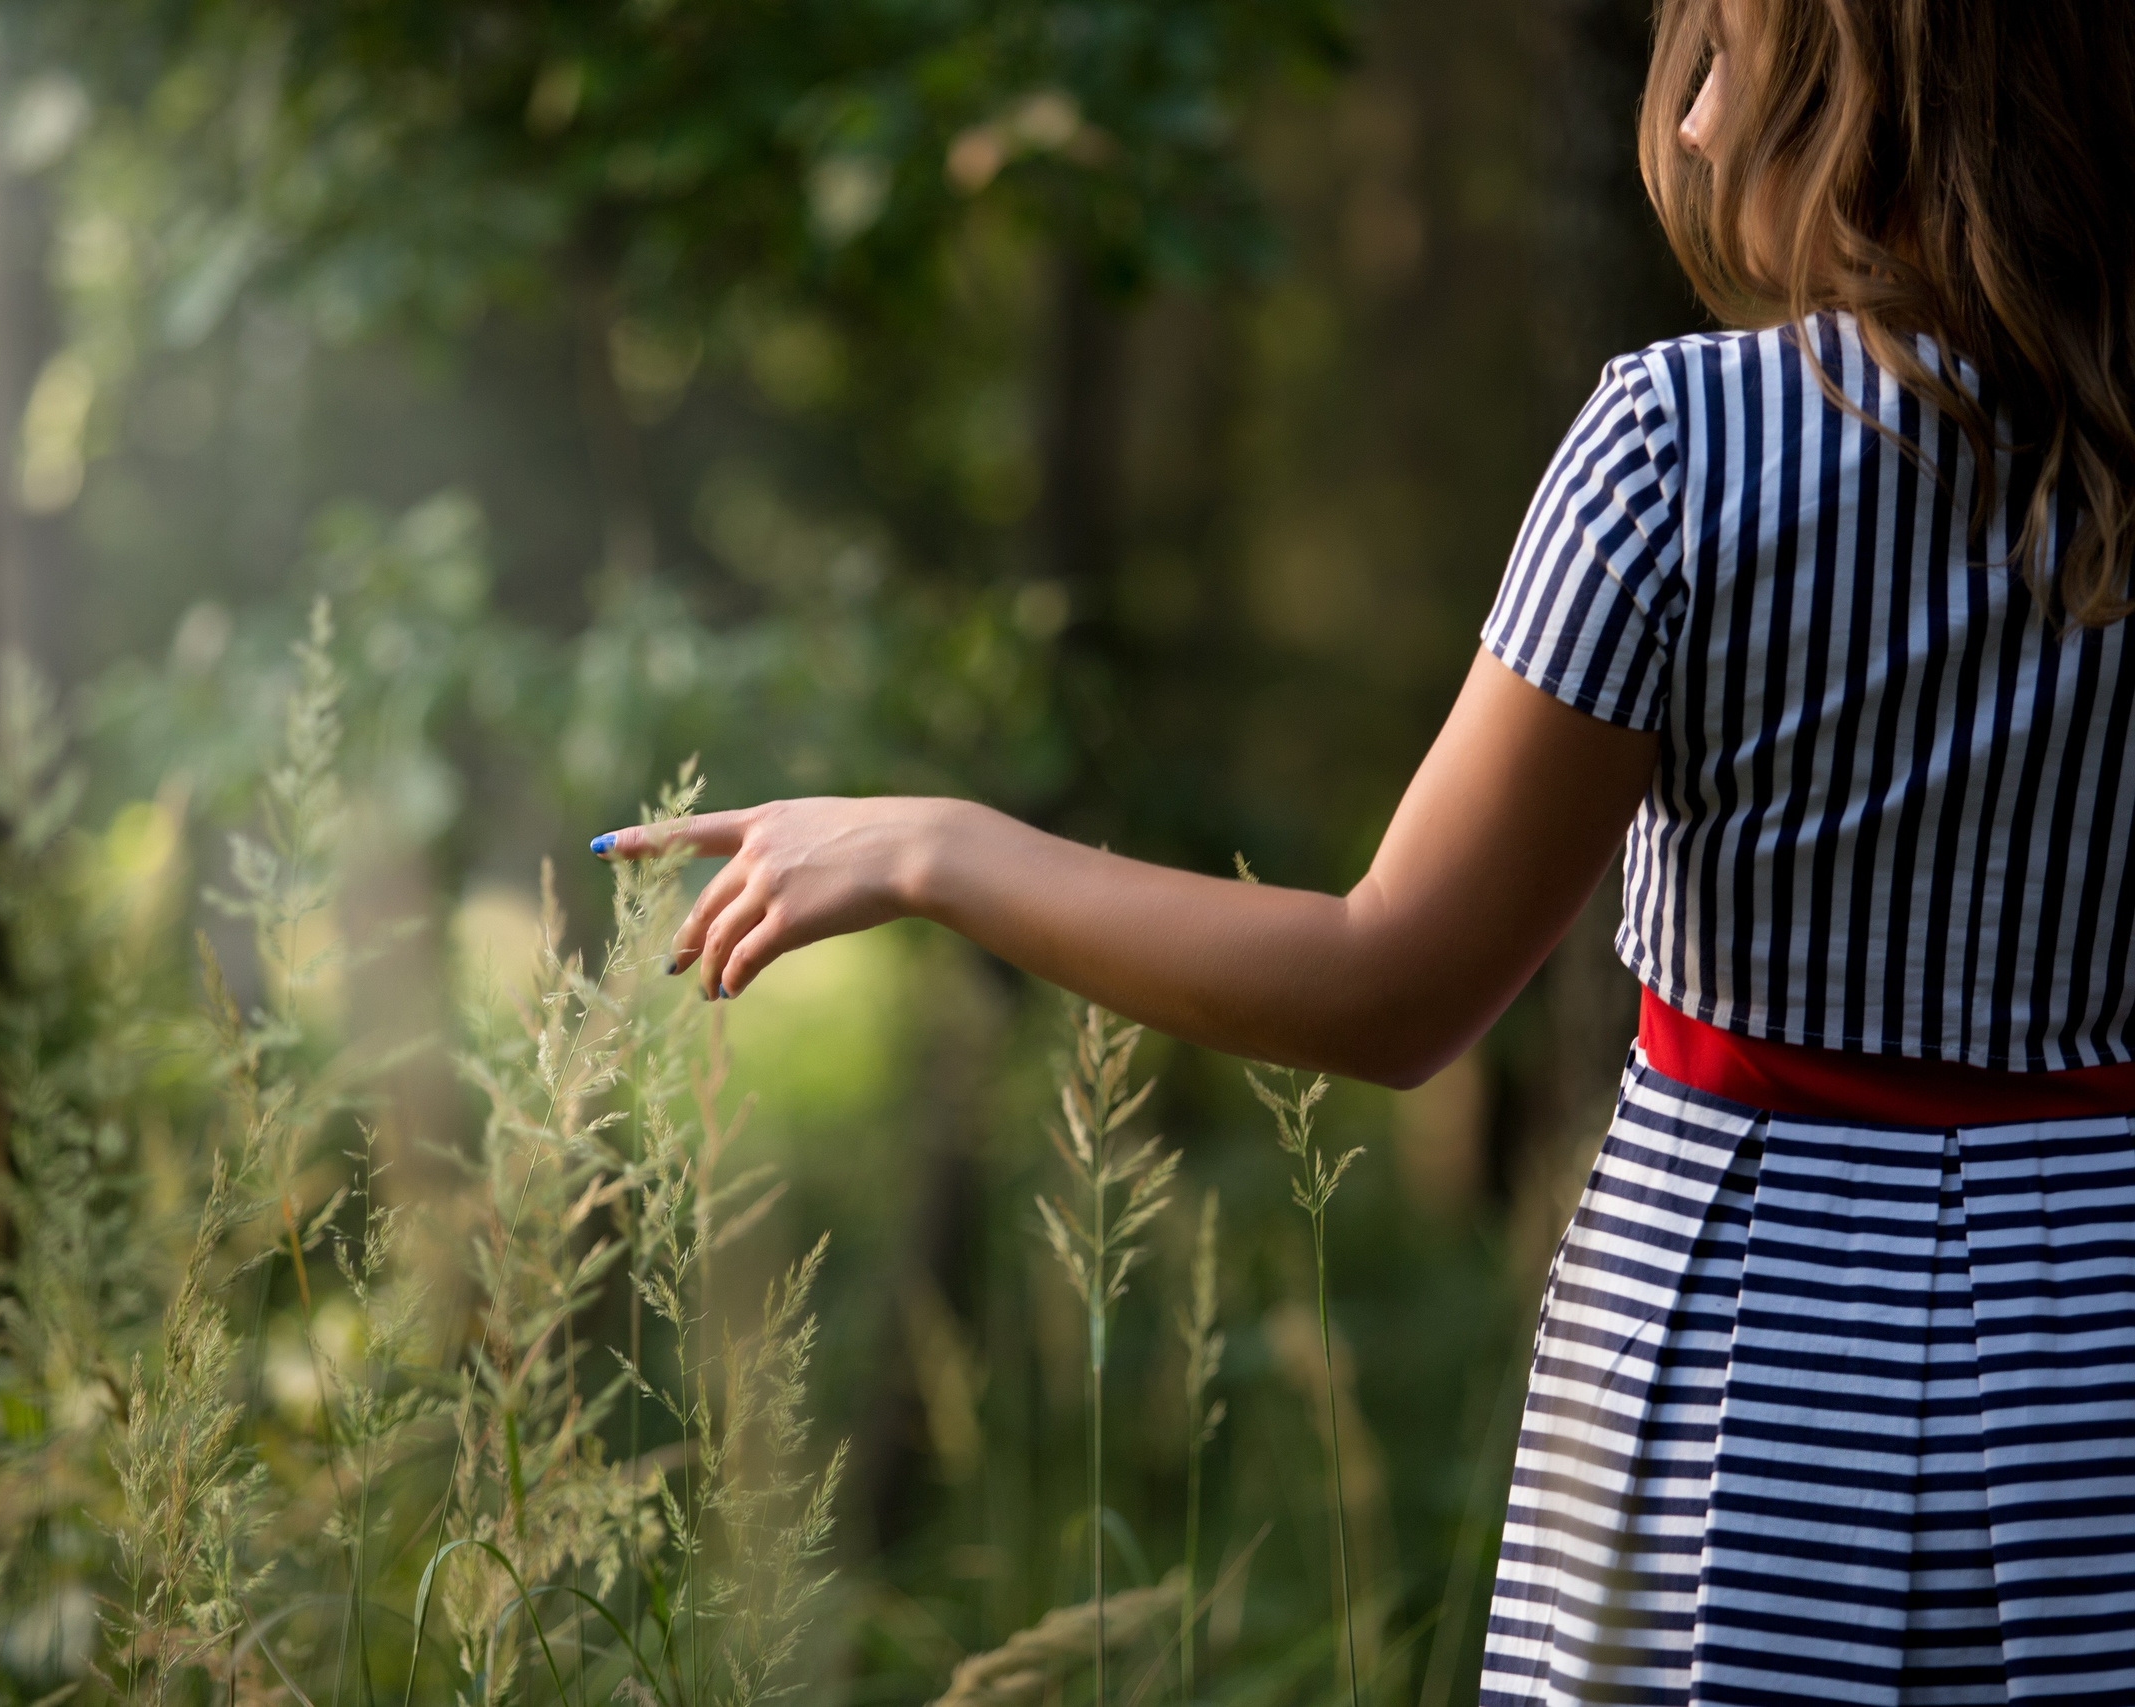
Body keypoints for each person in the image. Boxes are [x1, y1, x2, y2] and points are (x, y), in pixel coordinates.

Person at [595, 0, 2135, 1695]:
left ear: (1884, 100)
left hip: (1748, 1382)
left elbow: (1393, 984)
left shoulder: (1683, 455)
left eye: (1733, 62)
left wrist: (935, 848)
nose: (1691, 128)